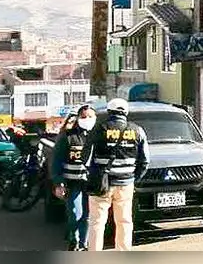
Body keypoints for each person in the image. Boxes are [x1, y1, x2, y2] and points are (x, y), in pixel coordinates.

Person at [84, 98, 149, 252]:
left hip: (101, 182)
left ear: (109, 112)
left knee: (97, 222)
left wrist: (92, 174)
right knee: (124, 221)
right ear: (125, 112)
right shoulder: (137, 130)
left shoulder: (99, 129)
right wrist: (133, 178)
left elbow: (85, 157)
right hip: (126, 183)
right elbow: (145, 161)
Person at [50, 104, 96, 251]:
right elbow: (57, 161)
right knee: (75, 213)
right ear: (78, 118)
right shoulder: (68, 136)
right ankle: (74, 238)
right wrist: (59, 183)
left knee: (88, 216)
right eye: (83, 116)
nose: (87, 119)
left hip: (91, 184)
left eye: (90, 116)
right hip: (72, 183)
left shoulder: (98, 136)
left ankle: (83, 244)